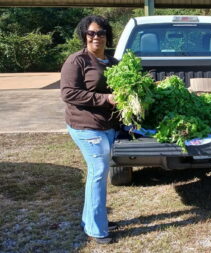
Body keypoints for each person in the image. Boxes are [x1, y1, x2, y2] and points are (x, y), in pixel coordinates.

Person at [60, 15, 120, 244]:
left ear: (107, 36)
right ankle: (97, 230)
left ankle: (94, 220)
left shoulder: (114, 63)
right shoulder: (77, 61)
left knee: (99, 172)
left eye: (101, 33)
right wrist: (106, 98)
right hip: (85, 126)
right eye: (92, 33)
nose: (97, 37)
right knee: (98, 172)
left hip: (108, 126)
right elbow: (68, 93)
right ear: (84, 35)